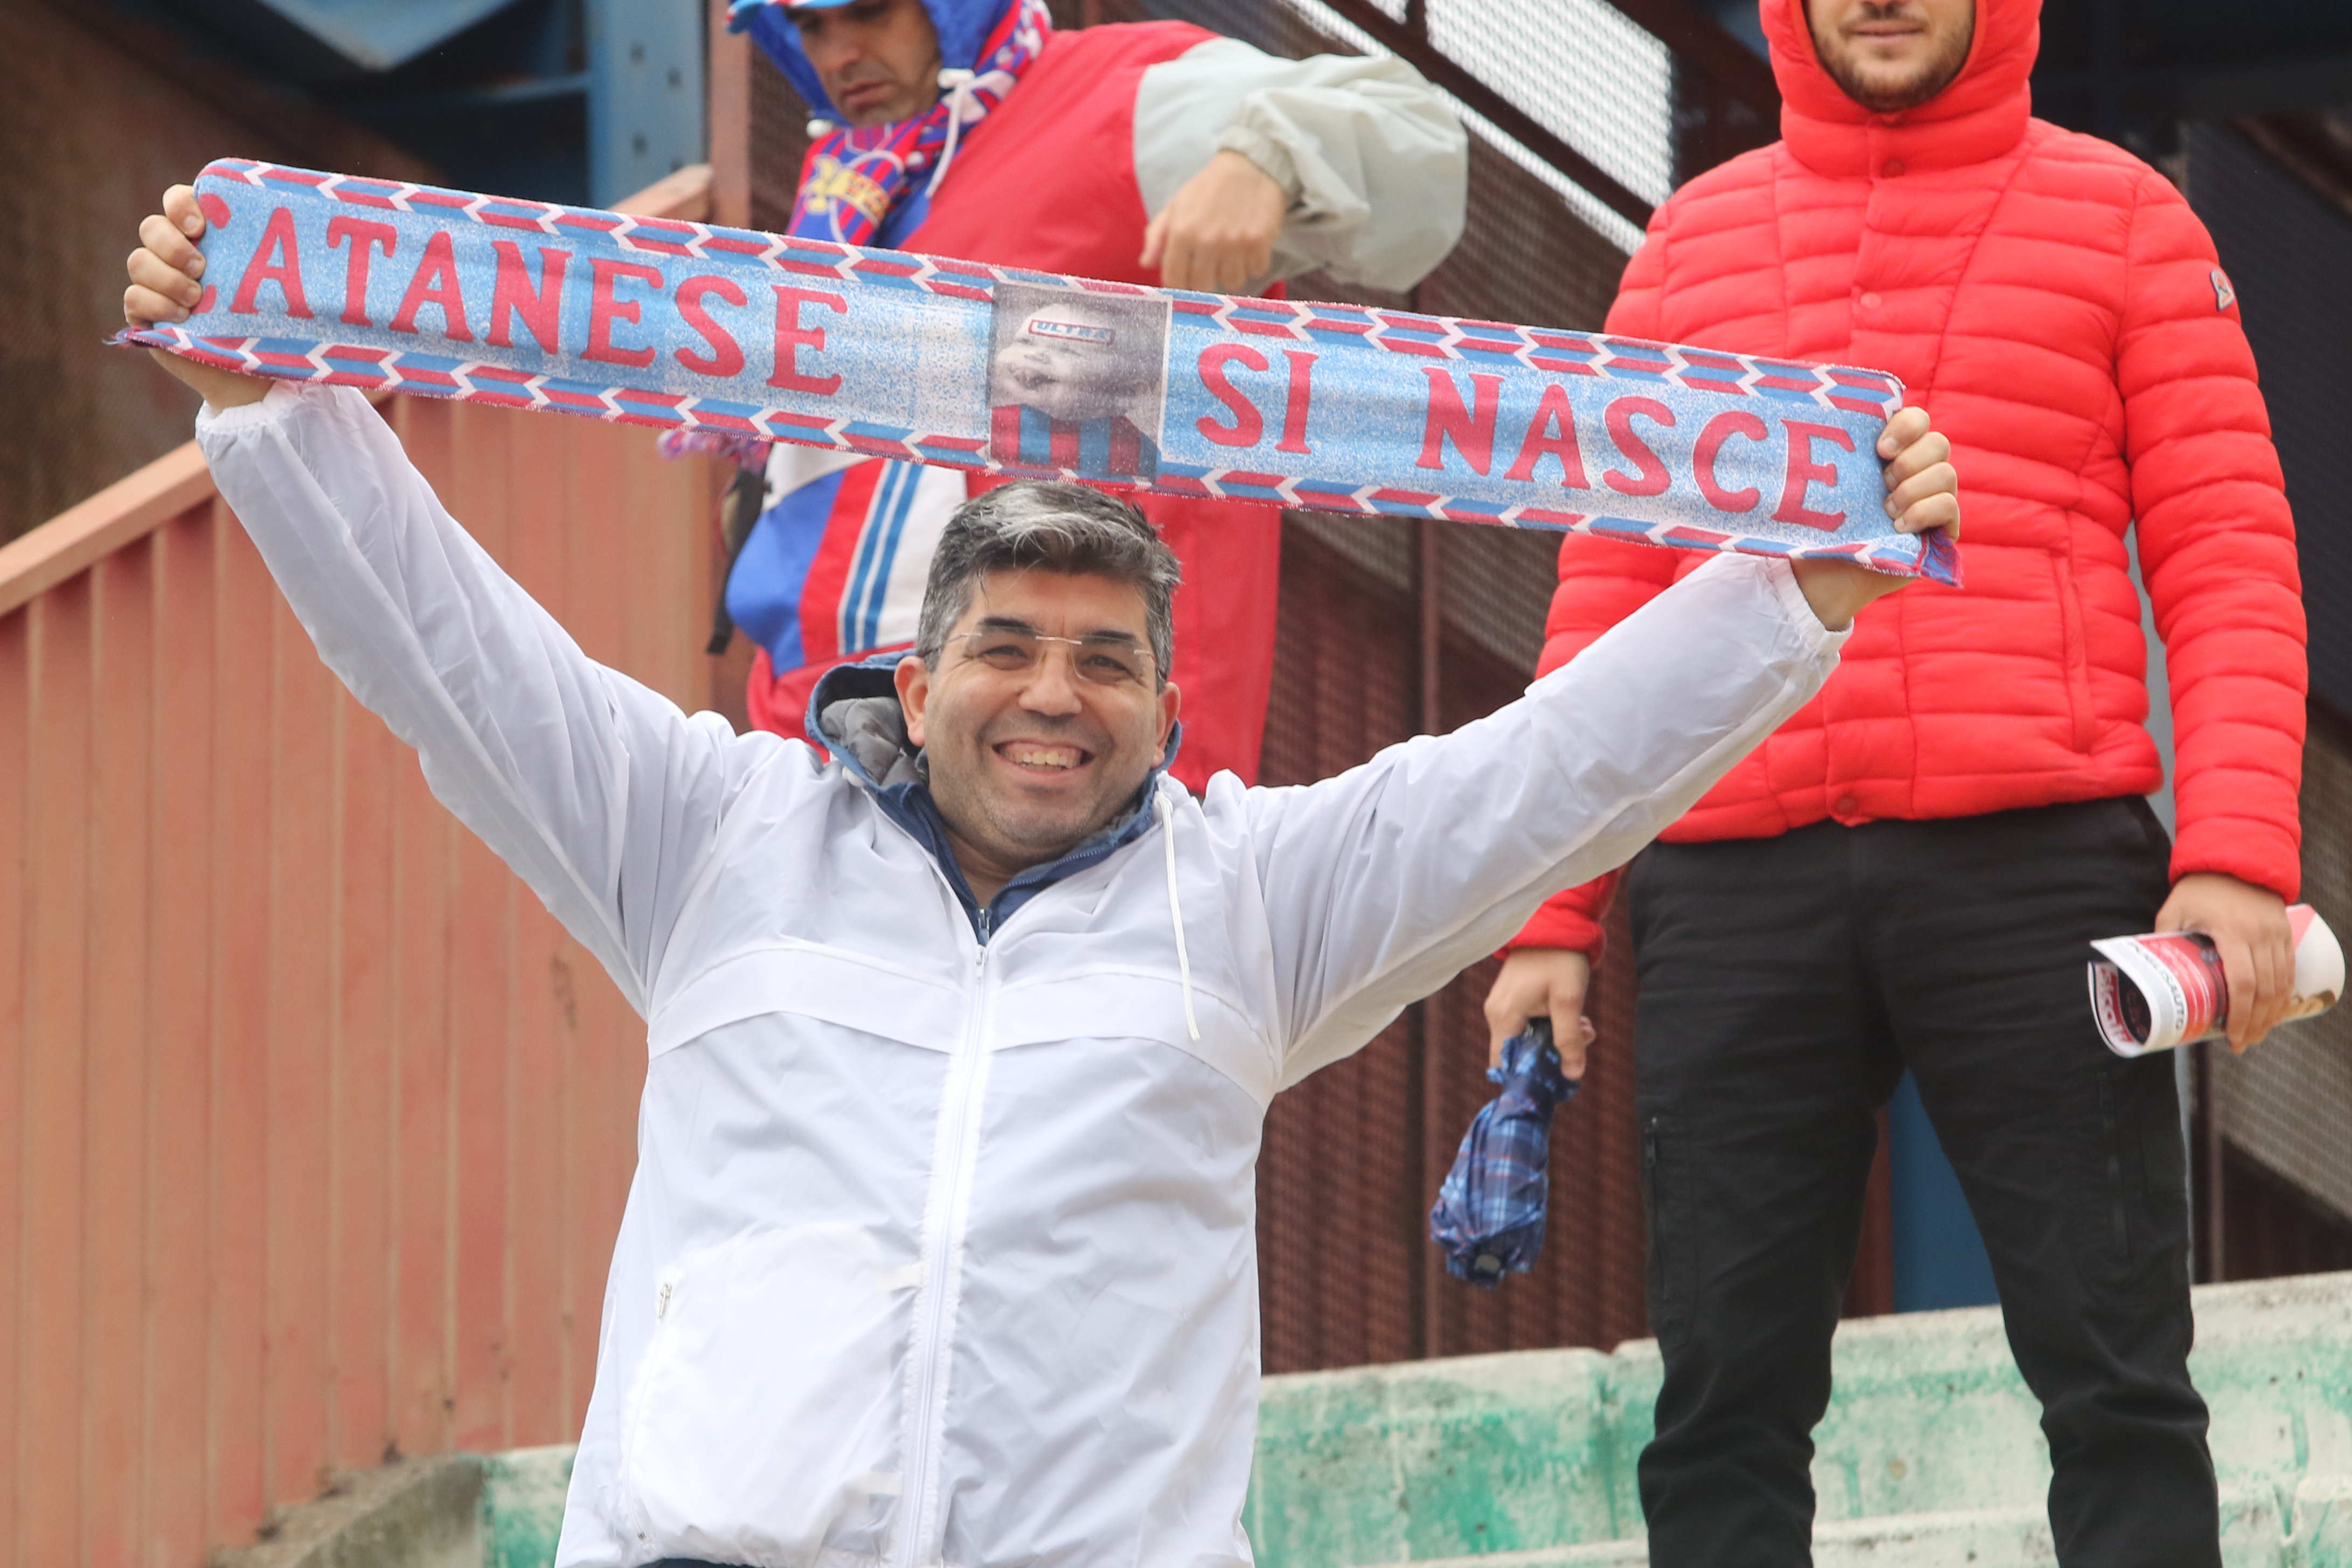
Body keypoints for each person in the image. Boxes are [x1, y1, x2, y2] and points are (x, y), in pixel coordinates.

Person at [126, 184, 1957, 1567]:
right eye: (1006, 647)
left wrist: (1792, 592)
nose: (1051, 697)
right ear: (914, 684)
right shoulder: (709, 841)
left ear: (1167, 710)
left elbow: (1542, 782)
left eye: (1105, 660)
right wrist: (270, 415)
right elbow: (459, 665)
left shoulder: (1249, 903)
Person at [1480, 1, 2306, 1563]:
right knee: (1719, 1398)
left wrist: (2236, 855)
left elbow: (2225, 558)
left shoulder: (2125, 214)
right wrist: (1551, 908)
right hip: (1726, 878)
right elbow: (1608, 589)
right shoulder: (1686, 242)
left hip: (2041, 865)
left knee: (2115, 1379)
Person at [717, 0, 1469, 786]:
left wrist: (1264, 162)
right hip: (821, 750)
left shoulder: (1112, 100)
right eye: (808, 27)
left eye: (866, 13)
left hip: (1073, 768)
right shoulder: (845, 192)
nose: (838, 54)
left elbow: (1411, 131)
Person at [986, 288, 1169, 482]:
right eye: (1026, 342)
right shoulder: (992, 427)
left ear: (1128, 392)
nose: (1035, 355)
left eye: (1068, 351)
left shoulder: (1137, 451)